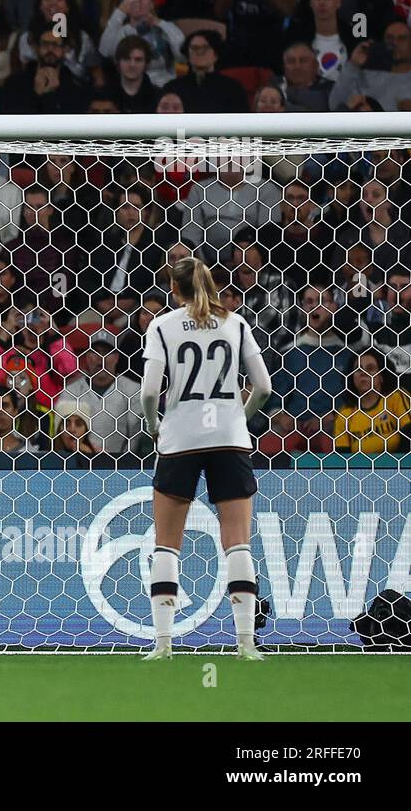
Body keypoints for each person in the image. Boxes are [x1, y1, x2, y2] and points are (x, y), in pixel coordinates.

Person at [139, 256, 273, 661]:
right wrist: (237, 418)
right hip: (229, 440)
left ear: (173, 289)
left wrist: (154, 425)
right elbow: (264, 387)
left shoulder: (162, 325)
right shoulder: (236, 323)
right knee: (238, 545)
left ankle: (163, 645)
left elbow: (148, 392)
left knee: (167, 545)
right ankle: (246, 644)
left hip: (180, 439)